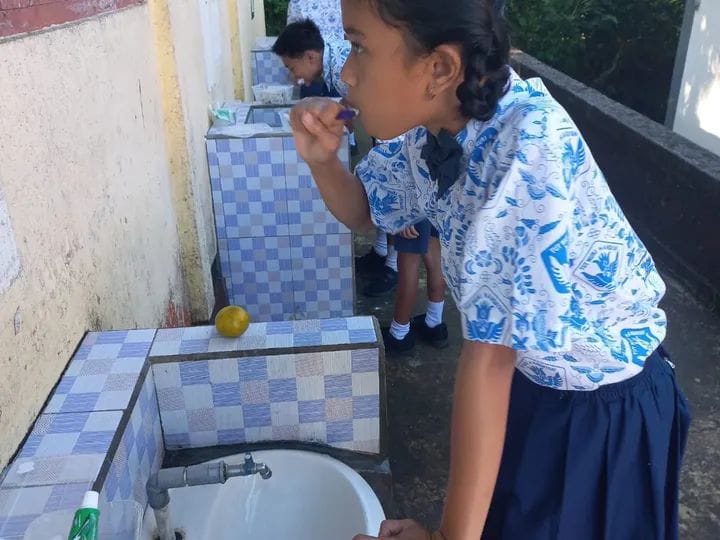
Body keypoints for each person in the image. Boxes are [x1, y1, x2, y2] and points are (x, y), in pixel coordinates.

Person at [288, 1, 691, 539]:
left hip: (596, 411)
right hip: (533, 381)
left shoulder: (527, 146)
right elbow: (367, 209)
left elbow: (491, 358)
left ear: (439, 68)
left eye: (359, 46)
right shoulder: (436, 129)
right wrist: (321, 160)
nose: (346, 73)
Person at [381, 220, 448, 354]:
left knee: (408, 262)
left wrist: (406, 216)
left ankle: (399, 335)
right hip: (436, 208)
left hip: (413, 210)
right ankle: (434, 324)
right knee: (434, 250)